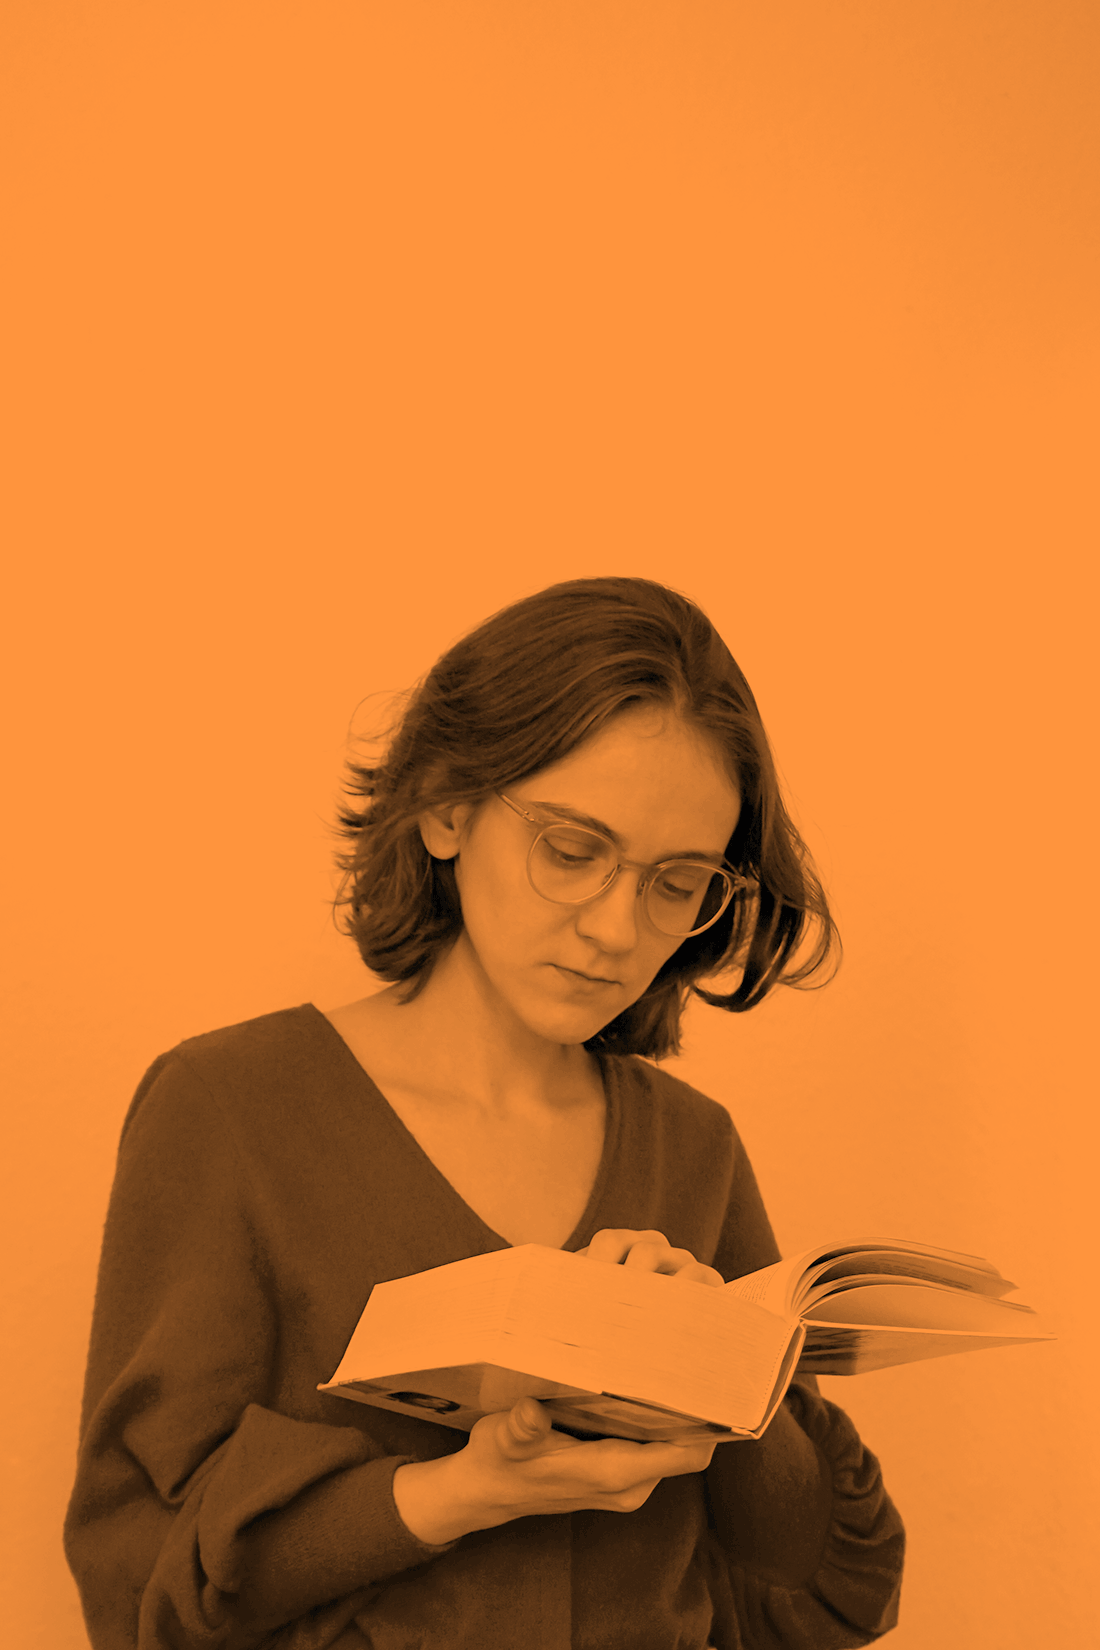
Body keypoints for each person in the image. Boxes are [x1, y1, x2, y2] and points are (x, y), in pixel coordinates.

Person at [64, 577, 905, 1649]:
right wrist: (456, 1492)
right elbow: (141, 1576)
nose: (616, 929)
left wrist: (720, 1367)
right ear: (446, 807)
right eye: (572, 851)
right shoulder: (229, 1109)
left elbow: (828, 1588)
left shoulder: (691, 1146)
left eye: (676, 881)